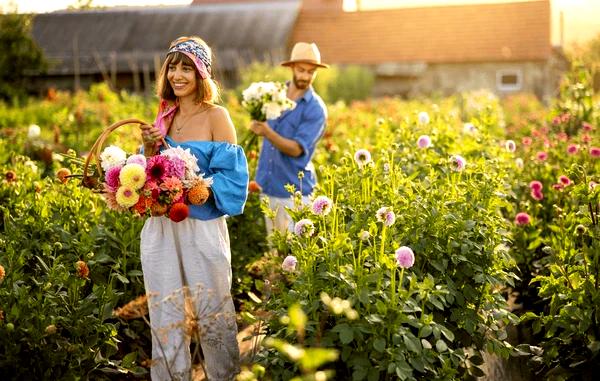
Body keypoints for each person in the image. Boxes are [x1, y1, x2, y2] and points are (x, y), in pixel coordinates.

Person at [139, 36, 248, 381]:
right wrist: (147, 149)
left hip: (201, 226)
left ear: (201, 73)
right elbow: (151, 173)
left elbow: (234, 176)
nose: (177, 75)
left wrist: (196, 188)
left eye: (187, 67)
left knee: (212, 307)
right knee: (165, 309)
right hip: (164, 228)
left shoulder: (217, 116)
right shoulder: (164, 116)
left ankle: (223, 375)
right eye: (173, 66)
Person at [249, 42, 328, 234]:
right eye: (301, 70)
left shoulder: (315, 109)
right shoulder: (273, 95)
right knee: (275, 252)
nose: (305, 76)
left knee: (295, 259)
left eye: (311, 72)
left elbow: (296, 149)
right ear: (292, 67)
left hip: (295, 193)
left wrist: (267, 132)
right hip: (268, 186)